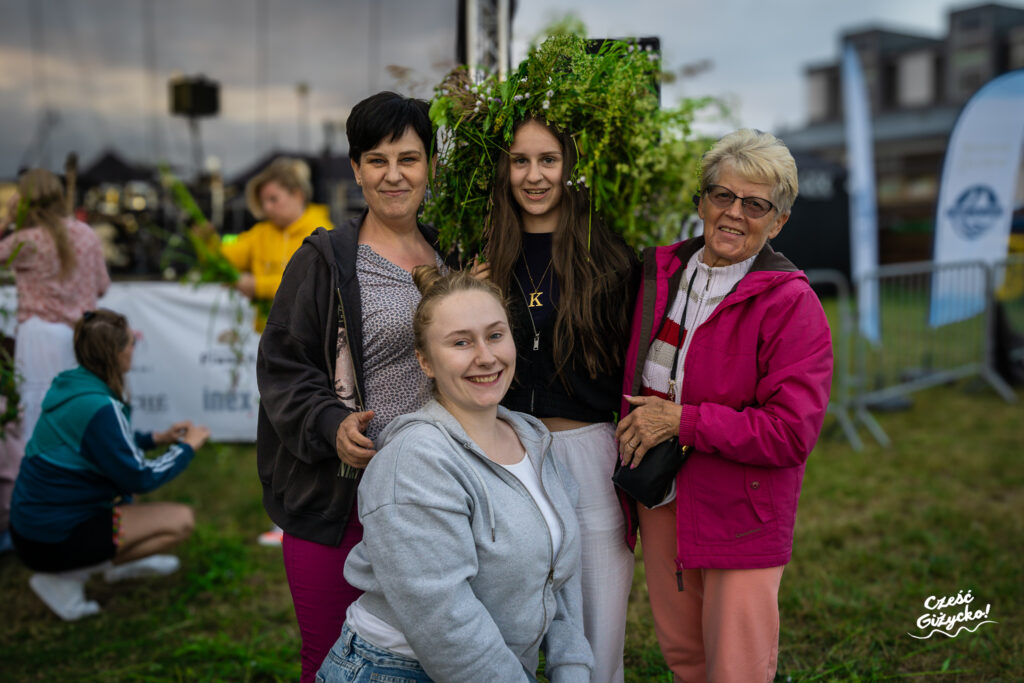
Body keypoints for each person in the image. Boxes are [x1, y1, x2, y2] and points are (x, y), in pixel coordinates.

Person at [614, 129, 833, 682]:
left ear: (778, 221)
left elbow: (791, 433)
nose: (735, 213)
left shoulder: (791, 303)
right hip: (659, 496)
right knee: (686, 658)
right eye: (723, 196)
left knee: (736, 667)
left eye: (755, 204)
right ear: (702, 201)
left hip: (741, 511)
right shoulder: (657, 274)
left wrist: (682, 421)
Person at [257, 91, 453, 682]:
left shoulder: (453, 256)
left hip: (429, 500)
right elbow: (284, 368)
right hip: (343, 497)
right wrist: (329, 425)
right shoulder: (324, 259)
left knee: (426, 659)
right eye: (376, 159)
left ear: (431, 167)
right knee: (331, 660)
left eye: (409, 158)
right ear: (355, 170)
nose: (394, 175)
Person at [317, 265, 592, 683]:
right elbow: (446, 623)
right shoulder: (415, 461)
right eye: (461, 342)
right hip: (396, 670)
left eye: (495, 335)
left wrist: (573, 671)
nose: (486, 356)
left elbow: (559, 580)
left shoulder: (532, 439)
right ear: (425, 361)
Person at [482, 116, 638, 682]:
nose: (534, 175)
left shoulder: (611, 252)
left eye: (547, 159)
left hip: (585, 450)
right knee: (506, 630)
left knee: (597, 637)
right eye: (520, 161)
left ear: (569, 166)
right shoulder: (484, 249)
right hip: (504, 452)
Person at [8, 308, 210, 621]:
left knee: (128, 485)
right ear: (114, 354)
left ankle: (109, 559)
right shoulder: (99, 405)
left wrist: (157, 437)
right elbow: (140, 477)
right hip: (52, 538)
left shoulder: (73, 385)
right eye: (131, 343)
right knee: (180, 521)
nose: (133, 349)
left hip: (33, 529)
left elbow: (105, 445)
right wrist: (187, 447)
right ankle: (66, 577)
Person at [0, 169, 110, 552]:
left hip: (39, 337)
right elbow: (101, 286)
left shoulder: (24, 240)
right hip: (79, 337)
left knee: (36, 423)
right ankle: (79, 503)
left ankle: (36, 512)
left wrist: (9, 219)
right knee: (76, 421)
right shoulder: (85, 234)